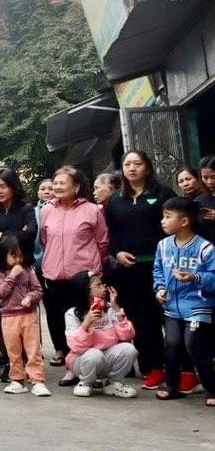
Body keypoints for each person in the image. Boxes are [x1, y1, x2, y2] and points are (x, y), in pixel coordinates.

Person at [103, 150, 176, 391]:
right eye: (127, 164)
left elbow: (177, 226)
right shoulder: (115, 200)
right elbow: (111, 234)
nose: (132, 168)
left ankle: (181, 369)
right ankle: (152, 368)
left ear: (147, 167)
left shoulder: (163, 194)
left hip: (162, 268)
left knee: (169, 319)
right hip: (130, 270)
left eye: (137, 163)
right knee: (141, 322)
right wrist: (117, 253)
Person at [38, 165, 108, 383]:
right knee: (61, 322)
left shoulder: (91, 210)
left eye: (62, 183)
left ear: (76, 187)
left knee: (84, 321)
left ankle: (93, 367)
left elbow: (102, 242)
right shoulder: (46, 210)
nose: (57, 187)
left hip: (82, 277)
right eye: (55, 183)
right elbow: (44, 240)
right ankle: (71, 367)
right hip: (53, 275)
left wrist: (94, 272)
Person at [152, 197, 215, 404]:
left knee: (194, 344)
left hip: (198, 306)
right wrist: (160, 289)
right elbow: (158, 271)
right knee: (171, 345)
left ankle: (212, 389)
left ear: (185, 221)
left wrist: (194, 277)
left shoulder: (205, 248)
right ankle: (171, 385)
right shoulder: (163, 246)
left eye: (167, 216)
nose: (162, 221)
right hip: (171, 306)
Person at [0, 168, 37, 380]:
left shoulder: (26, 208)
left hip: (24, 269)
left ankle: (30, 361)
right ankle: (10, 362)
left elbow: (31, 234)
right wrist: (16, 235)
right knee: (2, 316)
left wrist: (2, 235)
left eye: (3, 186)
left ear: (13, 186)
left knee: (27, 316)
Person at [65, 271, 138, 399]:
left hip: (106, 358)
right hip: (82, 361)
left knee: (129, 349)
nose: (104, 288)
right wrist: (86, 323)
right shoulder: (73, 314)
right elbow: (76, 347)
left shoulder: (109, 308)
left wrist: (116, 308)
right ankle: (85, 382)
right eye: (98, 285)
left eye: (103, 284)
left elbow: (127, 335)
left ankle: (112, 383)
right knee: (94, 354)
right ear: (86, 290)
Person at [0, 236, 49, 396]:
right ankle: (17, 380)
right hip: (9, 317)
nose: (18, 260)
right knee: (13, 350)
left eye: (20, 256)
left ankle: (37, 381)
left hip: (28, 315)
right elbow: (1, 291)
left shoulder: (28, 270)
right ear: (4, 256)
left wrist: (30, 298)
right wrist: (12, 276)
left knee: (33, 349)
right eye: (13, 256)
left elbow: (38, 290)